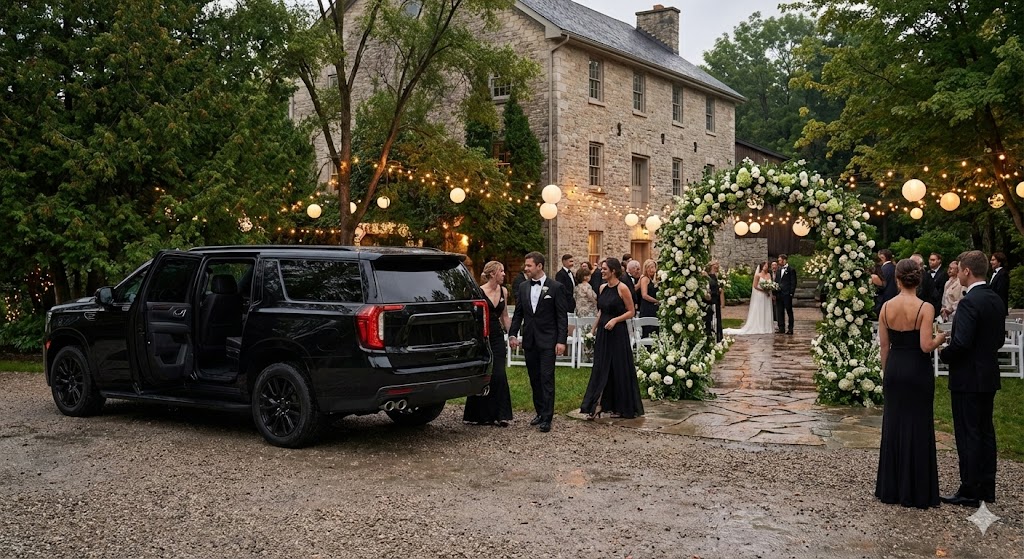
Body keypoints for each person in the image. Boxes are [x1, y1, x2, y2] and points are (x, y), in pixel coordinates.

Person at [875, 258, 947, 509]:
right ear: (918, 280)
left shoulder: (885, 308)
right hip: (917, 369)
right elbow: (925, 346)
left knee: (893, 425)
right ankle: (916, 490)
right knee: (918, 425)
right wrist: (941, 337)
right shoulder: (925, 308)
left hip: (895, 367)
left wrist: (887, 374)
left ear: (896, 279)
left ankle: (891, 488)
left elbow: (884, 346)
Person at [939, 250, 1005, 506]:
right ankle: (987, 486)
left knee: (969, 433)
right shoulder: (995, 299)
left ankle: (969, 489)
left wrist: (945, 354)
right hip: (988, 374)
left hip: (968, 377)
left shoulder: (969, 302)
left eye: (960, 270)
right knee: (986, 431)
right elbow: (998, 339)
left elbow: (962, 342)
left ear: (967, 271)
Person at [508, 252, 568, 433]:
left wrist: (561, 341)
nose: (525, 269)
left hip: (548, 340)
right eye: (526, 266)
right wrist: (512, 334)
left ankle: (548, 417)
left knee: (546, 378)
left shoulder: (555, 287)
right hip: (530, 340)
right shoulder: (524, 287)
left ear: (539, 266)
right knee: (534, 378)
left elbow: (561, 317)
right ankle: (540, 412)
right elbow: (518, 314)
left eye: (529, 266)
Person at [579, 258, 645, 420]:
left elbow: (630, 311)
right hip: (603, 332)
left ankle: (622, 407)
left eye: (604, 269)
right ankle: (596, 405)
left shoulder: (622, 288)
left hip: (618, 333)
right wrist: (593, 330)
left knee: (618, 368)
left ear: (613, 271)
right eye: (601, 269)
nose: (601, 271)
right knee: (600, 367)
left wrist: (615, 320)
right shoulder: (602, 288)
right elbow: (600, 311)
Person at [463, 261, 514, 427]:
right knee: (483, 372)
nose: (504, 274)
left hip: (497, 337)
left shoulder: (503, 291)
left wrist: (512, 334)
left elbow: (504, 316)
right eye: (502, 271)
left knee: (499, 373)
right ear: (493, 274)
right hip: (482, 337)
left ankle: (502, 414)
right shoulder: (478, 292)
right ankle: (479, 415)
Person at [723, 261, 774, 336]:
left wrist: (769, 289)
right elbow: (755, 286)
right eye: (765, 266)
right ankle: (759, 326)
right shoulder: (758, 275)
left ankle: (767, 327)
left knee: (766, 309)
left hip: (767, 296)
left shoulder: (769, 275)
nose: (766, 267)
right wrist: (764, 290)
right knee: (760, 310)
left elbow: (770, 284)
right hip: (760, 295)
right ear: (762, 267)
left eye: (767, 266)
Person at [774, 254, 797, 335]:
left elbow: (793, 282)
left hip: (787, 294)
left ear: (784, 260)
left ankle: (790, 328)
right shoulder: (779, 270)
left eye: (780, 260)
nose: (778, 262)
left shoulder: (791, 270)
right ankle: (781, 327)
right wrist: (775, 291)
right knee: (779, 311)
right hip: (779, 294)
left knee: (789, 311)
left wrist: (791, 293)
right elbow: (776, 281)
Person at [638, 259, 660, 337]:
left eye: (653, 267)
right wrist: (657, 301)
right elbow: (644, 295)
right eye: (650, 267)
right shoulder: (644, 279)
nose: (652, 270)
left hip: (654, 308)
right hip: (647, 308)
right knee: (647, 331)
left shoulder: (653, 279)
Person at [873, 249, 897, 316]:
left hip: (883, 301)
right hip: (894, 300)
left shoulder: (882, 270)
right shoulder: (895, 268)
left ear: (882, 257)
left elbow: (882, 286)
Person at [989, 251, 1009, 316]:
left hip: (998, 308)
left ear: (999, 262)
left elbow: (1001, 292)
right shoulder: (995, 273)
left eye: (993, 260)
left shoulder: (1003, 274)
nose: (991, 262)